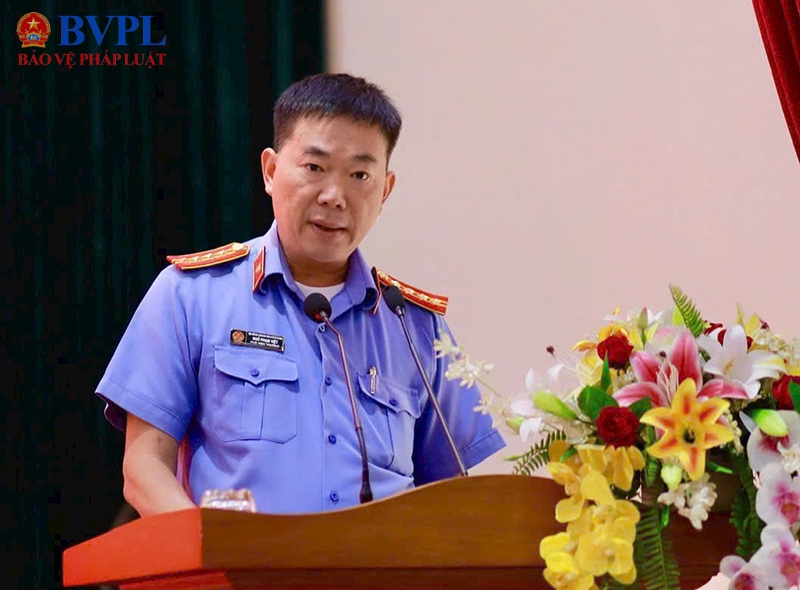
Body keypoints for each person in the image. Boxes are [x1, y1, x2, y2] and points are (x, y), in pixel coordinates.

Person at [96, 73, 504, 516]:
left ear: (385, 190)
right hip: (239, 560)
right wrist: (206, 549)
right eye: (314, 167)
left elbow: (450, 494)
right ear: (271, 171)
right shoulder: (191, 295)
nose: (334, 196)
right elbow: (144, 467)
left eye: (360, 175)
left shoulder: (414, 325)